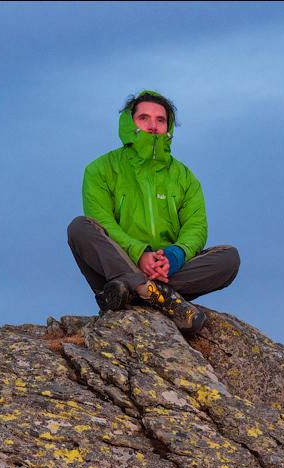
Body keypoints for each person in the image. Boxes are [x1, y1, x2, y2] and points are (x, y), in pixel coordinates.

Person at [67, 90, 239, 334]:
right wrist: (140, 255)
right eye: (144, 118)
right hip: (114, 267)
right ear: (130, 123)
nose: (153, 126)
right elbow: (102, 221)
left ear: (168, 127)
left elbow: (196, 226)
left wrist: (172, 257)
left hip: (167, 271)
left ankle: (134, 291)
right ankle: (152, 293)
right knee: (79, 227)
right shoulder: (99, 169)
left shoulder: (185, 177)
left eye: (160, 120)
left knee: (229, 258)